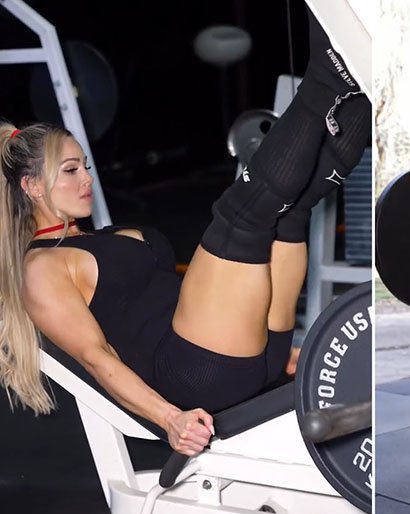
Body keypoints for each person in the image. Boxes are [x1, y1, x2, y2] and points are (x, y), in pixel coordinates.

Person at [0, 9, 371, 458]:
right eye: (70, 170)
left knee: (290, 212)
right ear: (31, 186)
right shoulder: (40, 267)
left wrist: (273, 360)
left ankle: (367, 90)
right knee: (240, 221)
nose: (86, 180)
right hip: (192, 371)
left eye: (87, 167)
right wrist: (170, 419)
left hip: (246, 351)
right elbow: (96, 357)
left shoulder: (88, 240)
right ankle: (328, 71)